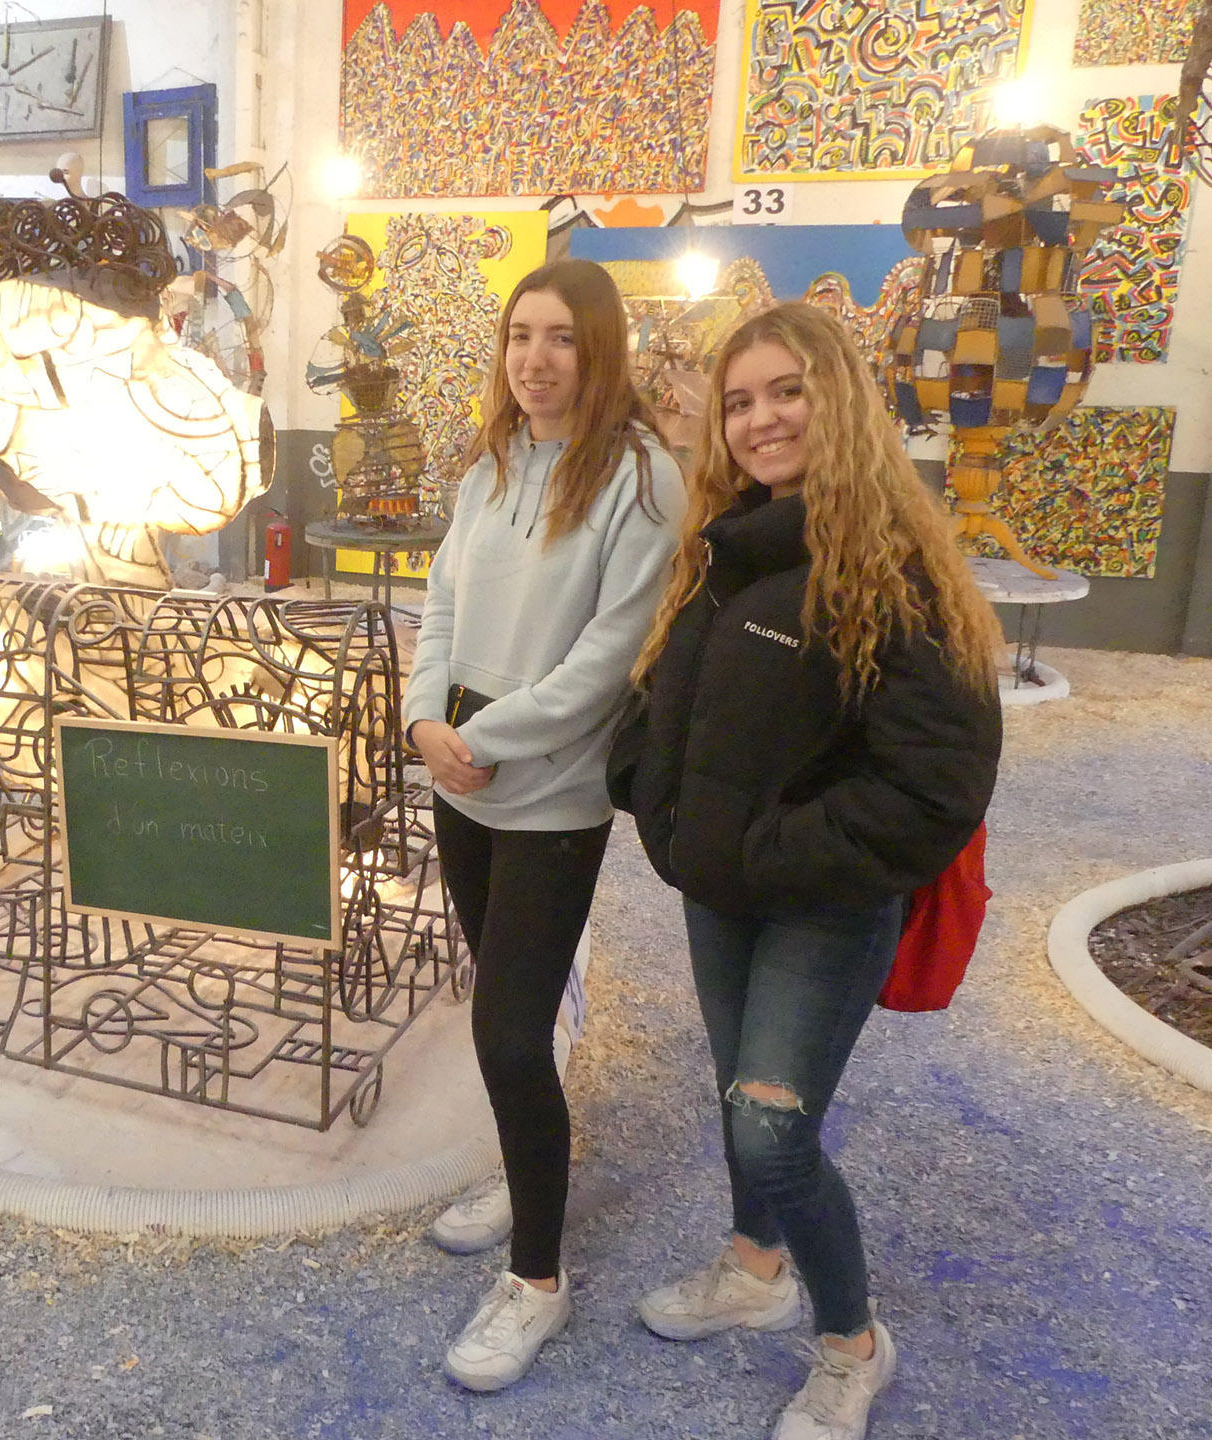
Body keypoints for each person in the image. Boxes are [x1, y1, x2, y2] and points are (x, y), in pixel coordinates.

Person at [616, 302, 1003, 1440]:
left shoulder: (897, 571)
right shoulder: (728, 548)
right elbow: (664, 701)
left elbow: (933, 787)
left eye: (788, 391)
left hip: (823, 906)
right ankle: (754, 1269)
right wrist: (652, 797)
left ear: (840, 399)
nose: (762, 419)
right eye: (740, 401)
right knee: (736, 1093)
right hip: (721, 890)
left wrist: (767, 851)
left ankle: (853, 1345)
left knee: (773, 1131)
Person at [402, 258, 682, 1391]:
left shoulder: (642, 479)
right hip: (460, 776)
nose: (536, 358)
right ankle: (526, 1174)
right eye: (521, 334)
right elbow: (440, 606)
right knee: (501, 1008)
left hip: (549, 794)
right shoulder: (492, 465)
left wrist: (481, 736)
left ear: (600, 347)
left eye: (561, 336)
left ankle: (537, 1283)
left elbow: (605, 663)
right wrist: (425, 722)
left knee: (511, 1034)